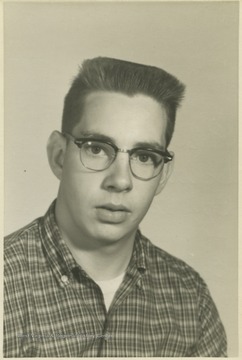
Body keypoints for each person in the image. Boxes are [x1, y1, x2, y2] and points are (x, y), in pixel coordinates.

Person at [4, 57, 227, 357]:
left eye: (145, 156)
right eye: (96, 149)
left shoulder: (190, 299)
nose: (120, 181)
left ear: (162, 175)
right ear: (59, 156)